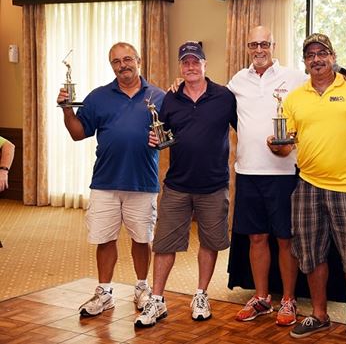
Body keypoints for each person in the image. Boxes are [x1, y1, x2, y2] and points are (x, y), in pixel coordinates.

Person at [270, 33, 346, 344]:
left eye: (322, 53)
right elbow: (286, 145)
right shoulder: (294, 98)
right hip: (307, 185)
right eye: (310, 55)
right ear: (305, 62)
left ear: (333, 57)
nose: (317, 59)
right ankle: (319, 315)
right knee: (310, 254)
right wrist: (276, 145)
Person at [134, 41, 237, 327]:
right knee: (164, 244)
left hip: (214, 185)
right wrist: (155, 138)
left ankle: (201, 295)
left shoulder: (224, 97)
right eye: (185, 62)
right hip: (177, 185)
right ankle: (157, 299)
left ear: (205, 64)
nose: (191, 67)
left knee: (210, 243)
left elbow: (244, 126)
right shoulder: (170, 99)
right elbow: (161, 133)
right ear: (181, 66)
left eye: (195, 61)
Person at [57, 42, 164, 317]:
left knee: (142, 239)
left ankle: (142, 288)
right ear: (112, 66)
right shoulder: (98, 97)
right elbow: (78, 133)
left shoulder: (159, 96)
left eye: (127, 59)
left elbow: (171, 135)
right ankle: (104, 292)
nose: (122, 65)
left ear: (138, 60)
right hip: (105, 182)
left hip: (142, 181)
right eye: (116, 61)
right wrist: (66, 109)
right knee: (104, 239)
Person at [227, 26, 307, 326]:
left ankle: (288, 299)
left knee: (285, 239)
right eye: (253, 44)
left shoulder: (294, 77)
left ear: (274, 45)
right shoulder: (238, 79)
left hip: (283, 174)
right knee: (256, 238)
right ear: (248, 47)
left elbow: (322, 86)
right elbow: (212, 97)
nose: (259, 49)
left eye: (264, 43)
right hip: (248, 172)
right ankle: (261, 298)